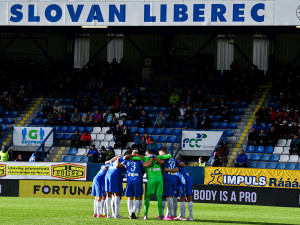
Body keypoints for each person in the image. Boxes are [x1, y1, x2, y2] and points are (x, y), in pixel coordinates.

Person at [125, 150, 173, 220]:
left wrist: (138, 156)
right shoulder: (158, 157)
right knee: (159, 197)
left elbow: (132, 158)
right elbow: (169, 156)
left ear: (148, 154)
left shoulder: (145, 158)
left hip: (151, 179)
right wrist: (155, 157)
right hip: (160, 179)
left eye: (146, 154)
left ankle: (145, 215)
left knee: (147, 197)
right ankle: (160, 216)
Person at [116, 150, 144, 219]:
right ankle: (133, 212)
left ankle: (130, 213)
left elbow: (119, 165)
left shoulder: (127, 160)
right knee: (138, 196)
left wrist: (117, 160)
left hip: (129, 179)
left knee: (130, 196)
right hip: (137, 178)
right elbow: (144, 164)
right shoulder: (139, 160)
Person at [159, 149, 179, 221]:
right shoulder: (173, 159)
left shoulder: (165, 159)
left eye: (161, 154)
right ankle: (162, 214)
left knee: (168, 196)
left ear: (164, 153)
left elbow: (160, 161)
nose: (160, 155)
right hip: (174, 177)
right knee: (164, 196)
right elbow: (178, 167)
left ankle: (170, 215)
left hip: (167, 177)